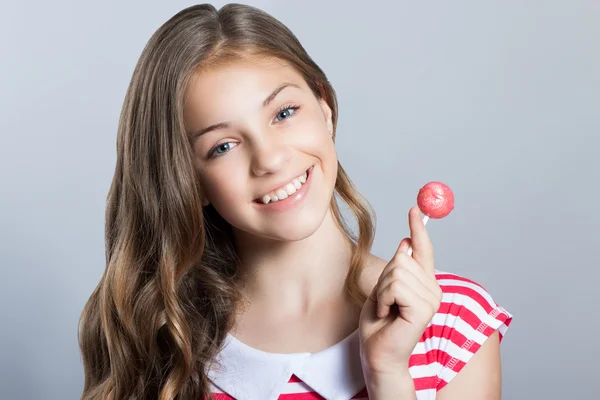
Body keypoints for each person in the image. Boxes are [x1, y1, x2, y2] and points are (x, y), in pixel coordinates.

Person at [78, 3, 513, 399]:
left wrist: (387, 374)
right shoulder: (166, 343)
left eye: (284, 113)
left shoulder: (453, 322)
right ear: (189, 182)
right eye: (223, 146)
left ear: (325, 109)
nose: (269, 159)